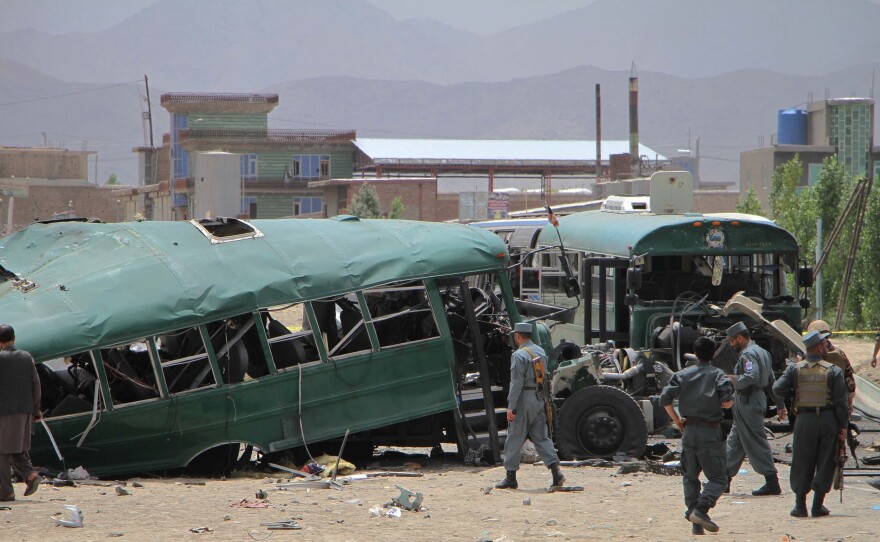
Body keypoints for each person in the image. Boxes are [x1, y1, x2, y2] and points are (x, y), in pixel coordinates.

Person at [660, 337, 734, 535]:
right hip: (709, 431)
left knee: (691, 476)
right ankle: (701, 510)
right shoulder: (718, 375)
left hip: (688, 430)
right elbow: (727, 401)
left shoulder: (682, 374)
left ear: (695, 352)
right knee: (719, 479)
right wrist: (724, 404)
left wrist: (677, 420)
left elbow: (665, 398)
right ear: (713, 354)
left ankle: (695, 521)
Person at [773, 330, 848, 517]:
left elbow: (777, 388)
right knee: (825, 461)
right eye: (824, 344)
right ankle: (817, 506)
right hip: (827, 419)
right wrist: (843, 427)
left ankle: (799, 506)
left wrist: (795, 394)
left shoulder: (795, 369)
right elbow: (841, 403)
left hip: (804, 420)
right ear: (820, 347)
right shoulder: (833, 370)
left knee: (801, 460)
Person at [495, 322, 565, 489]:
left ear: (517, 336)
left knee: (514, 437)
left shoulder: (519, 355)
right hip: (540, 399)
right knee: (542, 437)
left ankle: (510, 477)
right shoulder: (541, 352)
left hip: (524, 400)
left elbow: (516, 383)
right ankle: (556, 471)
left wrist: (511, 406)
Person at [724, 321, 788, 496]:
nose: (731, 344)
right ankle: (724, 480)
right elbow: (771, 380)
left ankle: (772, 481)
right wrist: (780, 405)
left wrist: (733, 379)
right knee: (735, 441)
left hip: (748, 399)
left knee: (756, 441)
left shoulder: (748, 354)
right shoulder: (762, 352)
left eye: (732, 341)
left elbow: (751, 377)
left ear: (739, 338)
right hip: (751, 400)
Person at [0, 324, 42, 501]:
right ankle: (30, 475)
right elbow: (36, 383)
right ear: (14, 338)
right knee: (17, 447)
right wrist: (36, 410)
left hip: (4, 411)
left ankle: (6, 491)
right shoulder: (26, 357)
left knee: (2, 451)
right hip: (25, 410)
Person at [806, 320, 855, 412]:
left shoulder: (808, 355)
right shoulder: (840, 354)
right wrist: (849, 403)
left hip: (812, 404)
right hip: (837, 402)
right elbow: (849, 379)